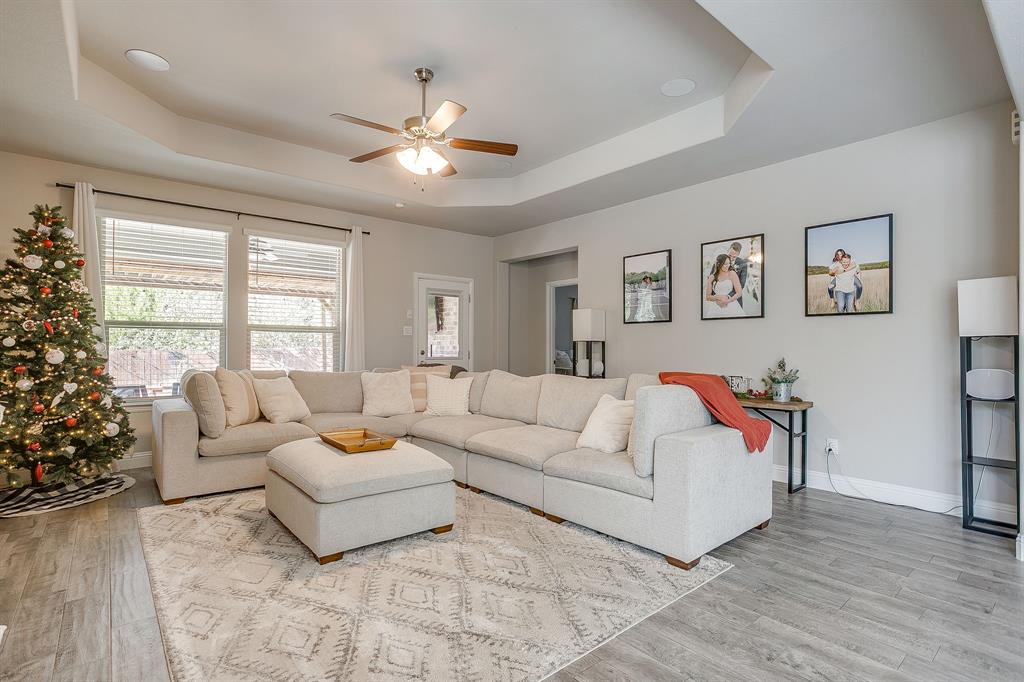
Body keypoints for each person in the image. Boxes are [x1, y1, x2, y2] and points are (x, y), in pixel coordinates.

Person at [727, 241, 748, 308]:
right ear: (728, 250)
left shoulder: (743, 264)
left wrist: (728, 296)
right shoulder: (719, 260)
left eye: (734, 257)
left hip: (735, 297)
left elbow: (741, 284)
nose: (731, 258)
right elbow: (711, 277)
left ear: (738, 254)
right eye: (730, 255)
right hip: (719, 295)